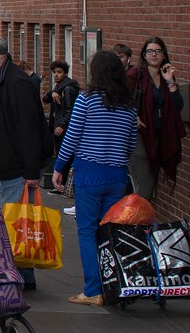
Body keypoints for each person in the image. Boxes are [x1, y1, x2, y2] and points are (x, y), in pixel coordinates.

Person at [52, 50, 137, 306]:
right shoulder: (129, 105)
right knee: (108, 231)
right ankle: (111, 284)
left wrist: (58, 166)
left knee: (87, 231)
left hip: (89, 174)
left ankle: (93, 290)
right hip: (117, 176)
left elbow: (72, 136)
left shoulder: (86, 100)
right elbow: (131, 143)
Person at [0, 35, 51, 291]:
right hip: (7, 163)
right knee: (16, 221)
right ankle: (22, 274)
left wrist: (31, 170)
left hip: (19, 168)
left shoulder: (17, 83)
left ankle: (20, 275)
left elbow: (28, 129)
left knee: (16, 222)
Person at [127, 36, 185, 199]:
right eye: (150, 51)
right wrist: (133, 115)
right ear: (144, 55)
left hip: (159, 138)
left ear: (164, 55)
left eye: (158, 51)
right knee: (145, 188)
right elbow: (117, 98)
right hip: (138, 137)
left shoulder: (167, 76)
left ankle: (135, 222)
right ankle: (131, 222)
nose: (154, 55)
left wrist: (170, 82)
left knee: (148, 189)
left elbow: (178, 106)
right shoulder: (135, 76)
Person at [42, 59, 80, 190]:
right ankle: (61, 184)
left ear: (65, 73)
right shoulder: (58, 87)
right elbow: (45, 99)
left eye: (59, 72)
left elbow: (70, 109)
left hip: (63, 127)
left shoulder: (68, 88)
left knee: (65, 156)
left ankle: (63, 185)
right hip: (56, 124)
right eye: (54, 72)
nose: (56, 75)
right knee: (59, 153)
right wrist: (51, 93)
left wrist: (62, 125)